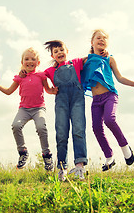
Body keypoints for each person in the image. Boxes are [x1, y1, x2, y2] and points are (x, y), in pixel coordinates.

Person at [81, 29, 134, 171]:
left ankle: (125, 148)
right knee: (96, 128)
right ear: (92, 42)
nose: (102, 40)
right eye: (98, 38)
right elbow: (72, 65)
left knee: (109, 120)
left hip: (110, 95)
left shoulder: (109, 59)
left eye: (104, 38)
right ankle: (109, 157)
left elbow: (120, 77)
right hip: (96, 100)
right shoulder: (86, 60)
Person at [0, 47, 58, 171]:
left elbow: (47, 89)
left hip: (38, 108)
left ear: (38, 62)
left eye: (33, 59)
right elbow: (8, 91)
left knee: (41, 127)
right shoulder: (19, 78)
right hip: (24, 109)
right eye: (26, 59)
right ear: (22, 63)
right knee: (16, 125)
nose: (30, 61)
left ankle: (47, 155)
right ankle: (23, 152)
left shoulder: (41, 75)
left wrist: (53, 91)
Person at [44, 40, 88, 181]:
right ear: (52, 56)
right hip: (61, 102)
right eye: (55, 51)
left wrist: (99, 51)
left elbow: (90, 57)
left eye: (61, 49)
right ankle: (62, 169)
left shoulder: (75, 63)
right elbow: (37, 77)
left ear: (67, 51)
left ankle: (80, 166)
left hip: (77, 100)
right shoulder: (50, 71)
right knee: (61, 134)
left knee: (78, 130)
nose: (59, 53)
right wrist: (49, 90)